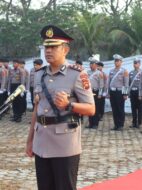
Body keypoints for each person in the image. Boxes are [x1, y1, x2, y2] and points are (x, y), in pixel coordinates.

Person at [25, 25, 95, 190]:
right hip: (41, 142)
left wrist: (69, 104)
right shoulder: (39, 74)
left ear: (65, 50)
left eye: (53, 47)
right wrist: (30, 141)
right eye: (46, 47)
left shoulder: (77, 74)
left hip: (65, 144)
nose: (48, 51)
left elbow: (91, 109)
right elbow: (37, 109)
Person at [107, 54, 129, 131]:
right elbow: (108, 83)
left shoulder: (124, 71)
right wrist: (108, 93)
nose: (116, 62)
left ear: (121, 62)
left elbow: (126, 83)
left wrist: (125, 94)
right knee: (114, 109)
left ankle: (120, 125)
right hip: (112, 92)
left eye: (118, 61)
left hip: (120, 92)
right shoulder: (111, 71)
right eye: (115, 61)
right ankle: (116, 124)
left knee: (120, 109)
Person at [86, 57, 104, 129]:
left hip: (96, 92)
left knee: (96, 108)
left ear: (96, 65)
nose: (91, 65)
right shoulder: (87, 72)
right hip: (88, 92)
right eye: (90, 64)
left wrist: (100, 94)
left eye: (92, 64)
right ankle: (90, 123)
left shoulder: (99, 73)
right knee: (89, 108)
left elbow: (101, 85)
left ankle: (95, 124)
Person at [129, 58, 142, 128]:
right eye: (134, 63)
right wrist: (126, 93)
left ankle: (139, 123)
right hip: (132, 92)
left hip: (139, 92)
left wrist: (141, 94)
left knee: (139, 108)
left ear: (139, 64)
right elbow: (128, 84)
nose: (135, 64)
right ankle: (134, 122)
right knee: (133, 108)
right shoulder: (131, 73)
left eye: (136, 63)